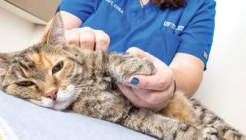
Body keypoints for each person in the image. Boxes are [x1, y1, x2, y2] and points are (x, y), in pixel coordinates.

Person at [43, 0, 216, 111]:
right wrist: (71, 41)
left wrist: (169, 83)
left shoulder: (200, 5)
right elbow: (54, 33)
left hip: (130, 113)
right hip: (67, 97)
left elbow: (189, 68)